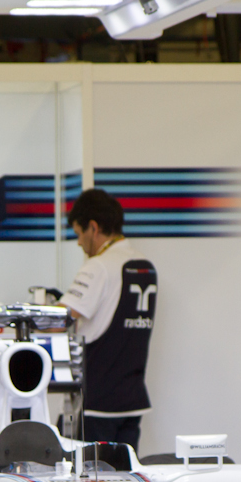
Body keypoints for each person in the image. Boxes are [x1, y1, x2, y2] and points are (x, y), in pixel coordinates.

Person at [58, 188, 156, 449]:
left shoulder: (99, 265)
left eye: (79, 234)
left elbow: (59, 317)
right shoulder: (145, 266)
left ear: (93, 227)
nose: (79, 243)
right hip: (132, 400)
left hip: (98, 402)